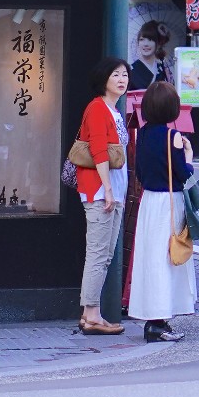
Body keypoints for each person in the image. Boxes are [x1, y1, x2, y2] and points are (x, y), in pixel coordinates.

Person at [126, 80, 195, 341]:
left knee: (151, 260)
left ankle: (152, 320)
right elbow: (184, 174)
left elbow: (141, 174)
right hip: (170, 202)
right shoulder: (173, 137)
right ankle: (159, 322)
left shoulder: (142, 134)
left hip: (149, 203)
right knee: (169, 260)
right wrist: (188, 155)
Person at [74, 57, 131, 335]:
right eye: (116, 75)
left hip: (114, 191)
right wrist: (108, 189)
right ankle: (92, 315)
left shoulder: (115, 111)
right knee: (98, 254)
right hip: (101, 192)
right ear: (103, 79)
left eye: (124, 75)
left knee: (105, 255)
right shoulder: (97, 108)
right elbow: (98, 150)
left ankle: (90, 314)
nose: (121, 79)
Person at [129, 20, 173, 92]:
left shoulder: (163, 70)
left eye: (150, 40)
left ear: (158, 43)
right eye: (142, 40)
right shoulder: (130, 70)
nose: (145, 44)